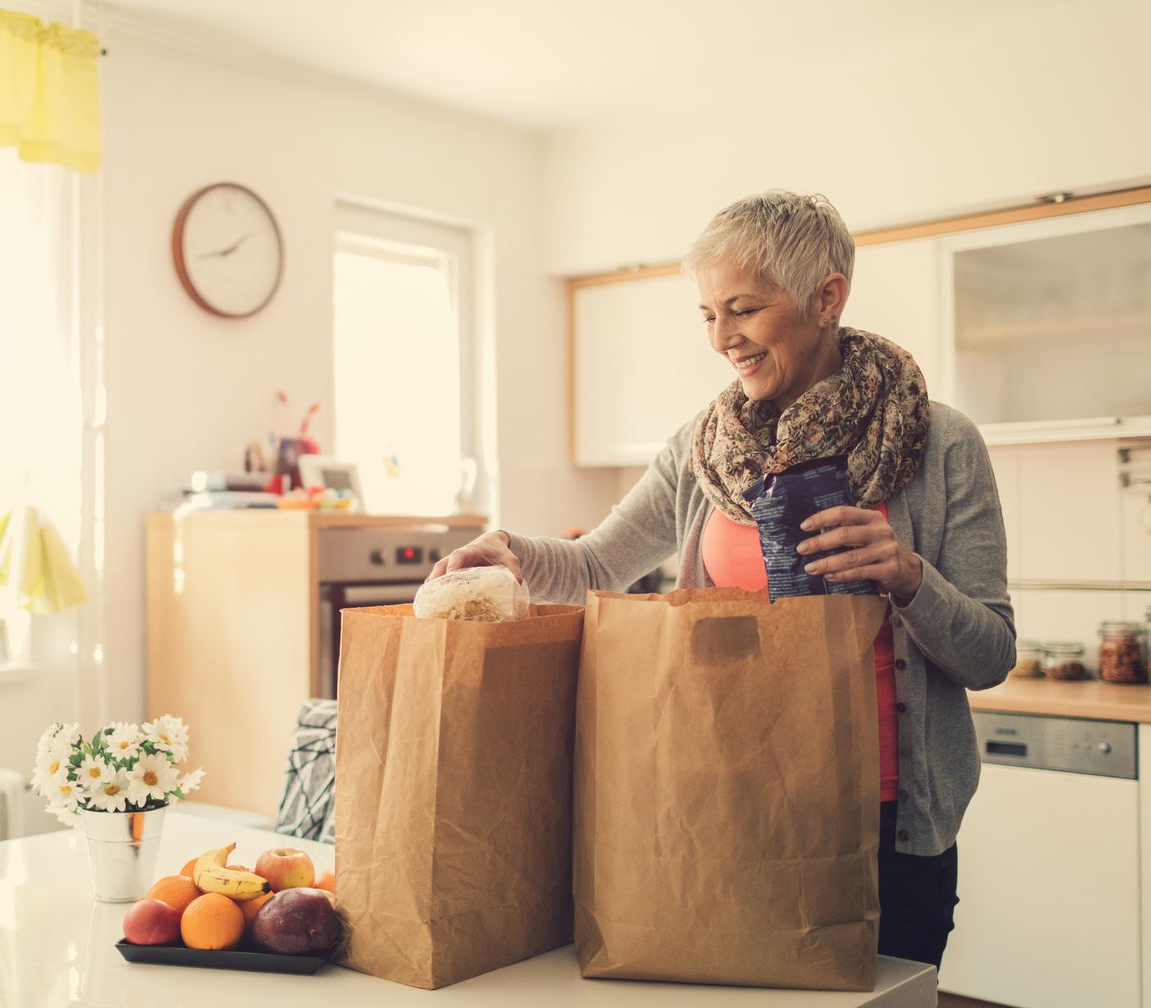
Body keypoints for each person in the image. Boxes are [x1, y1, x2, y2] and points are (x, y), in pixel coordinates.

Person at [430, 189, 1014, 968]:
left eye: (742, 309)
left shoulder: (940, 444)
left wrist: (908, 578)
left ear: (826, 296)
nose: (722, 339)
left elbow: (993, 654)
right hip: (731, 807)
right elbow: (601, 562)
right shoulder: (703, 449)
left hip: (887, 823)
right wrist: (511, 553)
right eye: (707, 315)